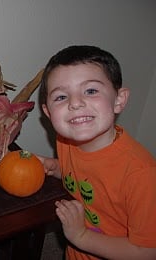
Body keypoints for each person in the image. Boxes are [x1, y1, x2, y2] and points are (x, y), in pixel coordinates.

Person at [37, 45, 156, 259]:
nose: (75, 103)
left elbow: (147, 251)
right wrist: (55, 167)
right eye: (61, 97)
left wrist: (81, 236)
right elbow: (87, 178)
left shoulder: (141, 174)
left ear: (119, 100)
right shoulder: (66, 140)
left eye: (90, 91)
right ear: (48, 111)